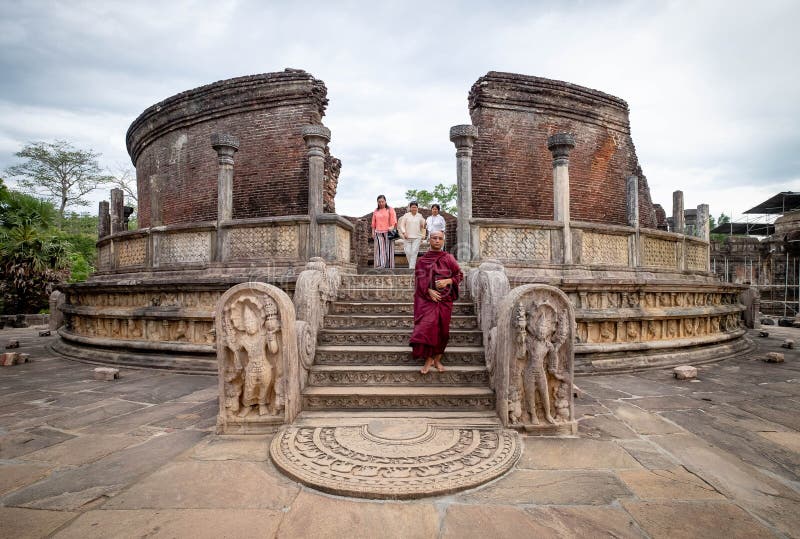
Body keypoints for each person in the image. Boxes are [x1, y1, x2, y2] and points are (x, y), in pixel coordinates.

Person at [410, 230, 463, 374]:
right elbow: (419, 280)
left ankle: (437, 359)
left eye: (440, 238)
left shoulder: (448, 258)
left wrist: (448, 280)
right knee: (427, 328)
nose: (437, 241)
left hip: (444, 300)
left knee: (443, 331)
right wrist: (428, 291)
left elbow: (459, 275)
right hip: (427, 301)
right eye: (434, 238)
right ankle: (428, 359)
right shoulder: (422, 261)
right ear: (429, 240)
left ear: (443, 241)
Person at [398, 201, 426, 269]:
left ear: (417, 208)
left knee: (414, 252)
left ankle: (411, 268)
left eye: (415, 207)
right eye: (413, 207)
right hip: (407, 237)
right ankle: (412, 266)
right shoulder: (406, 215)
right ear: (410, 208)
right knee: (408, 252)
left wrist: (425, 224)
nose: (414, 209)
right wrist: (404, 232)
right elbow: (402, 225)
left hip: (417, 237)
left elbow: (423, 226)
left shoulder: (420, 215)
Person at [371, 194, 397, 269]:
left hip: (388, 232)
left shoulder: (390, 209)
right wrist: (373, 232)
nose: (381, 203)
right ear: (377, 202)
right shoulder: (376, 211)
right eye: (379, 202)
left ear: (385, 201)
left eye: (382, 201)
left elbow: (394, 220)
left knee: (389, 250)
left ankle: (390, 266)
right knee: (380, 250)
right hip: (378, 232)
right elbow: (373, 223)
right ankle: (381, 265)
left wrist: (392, 226)